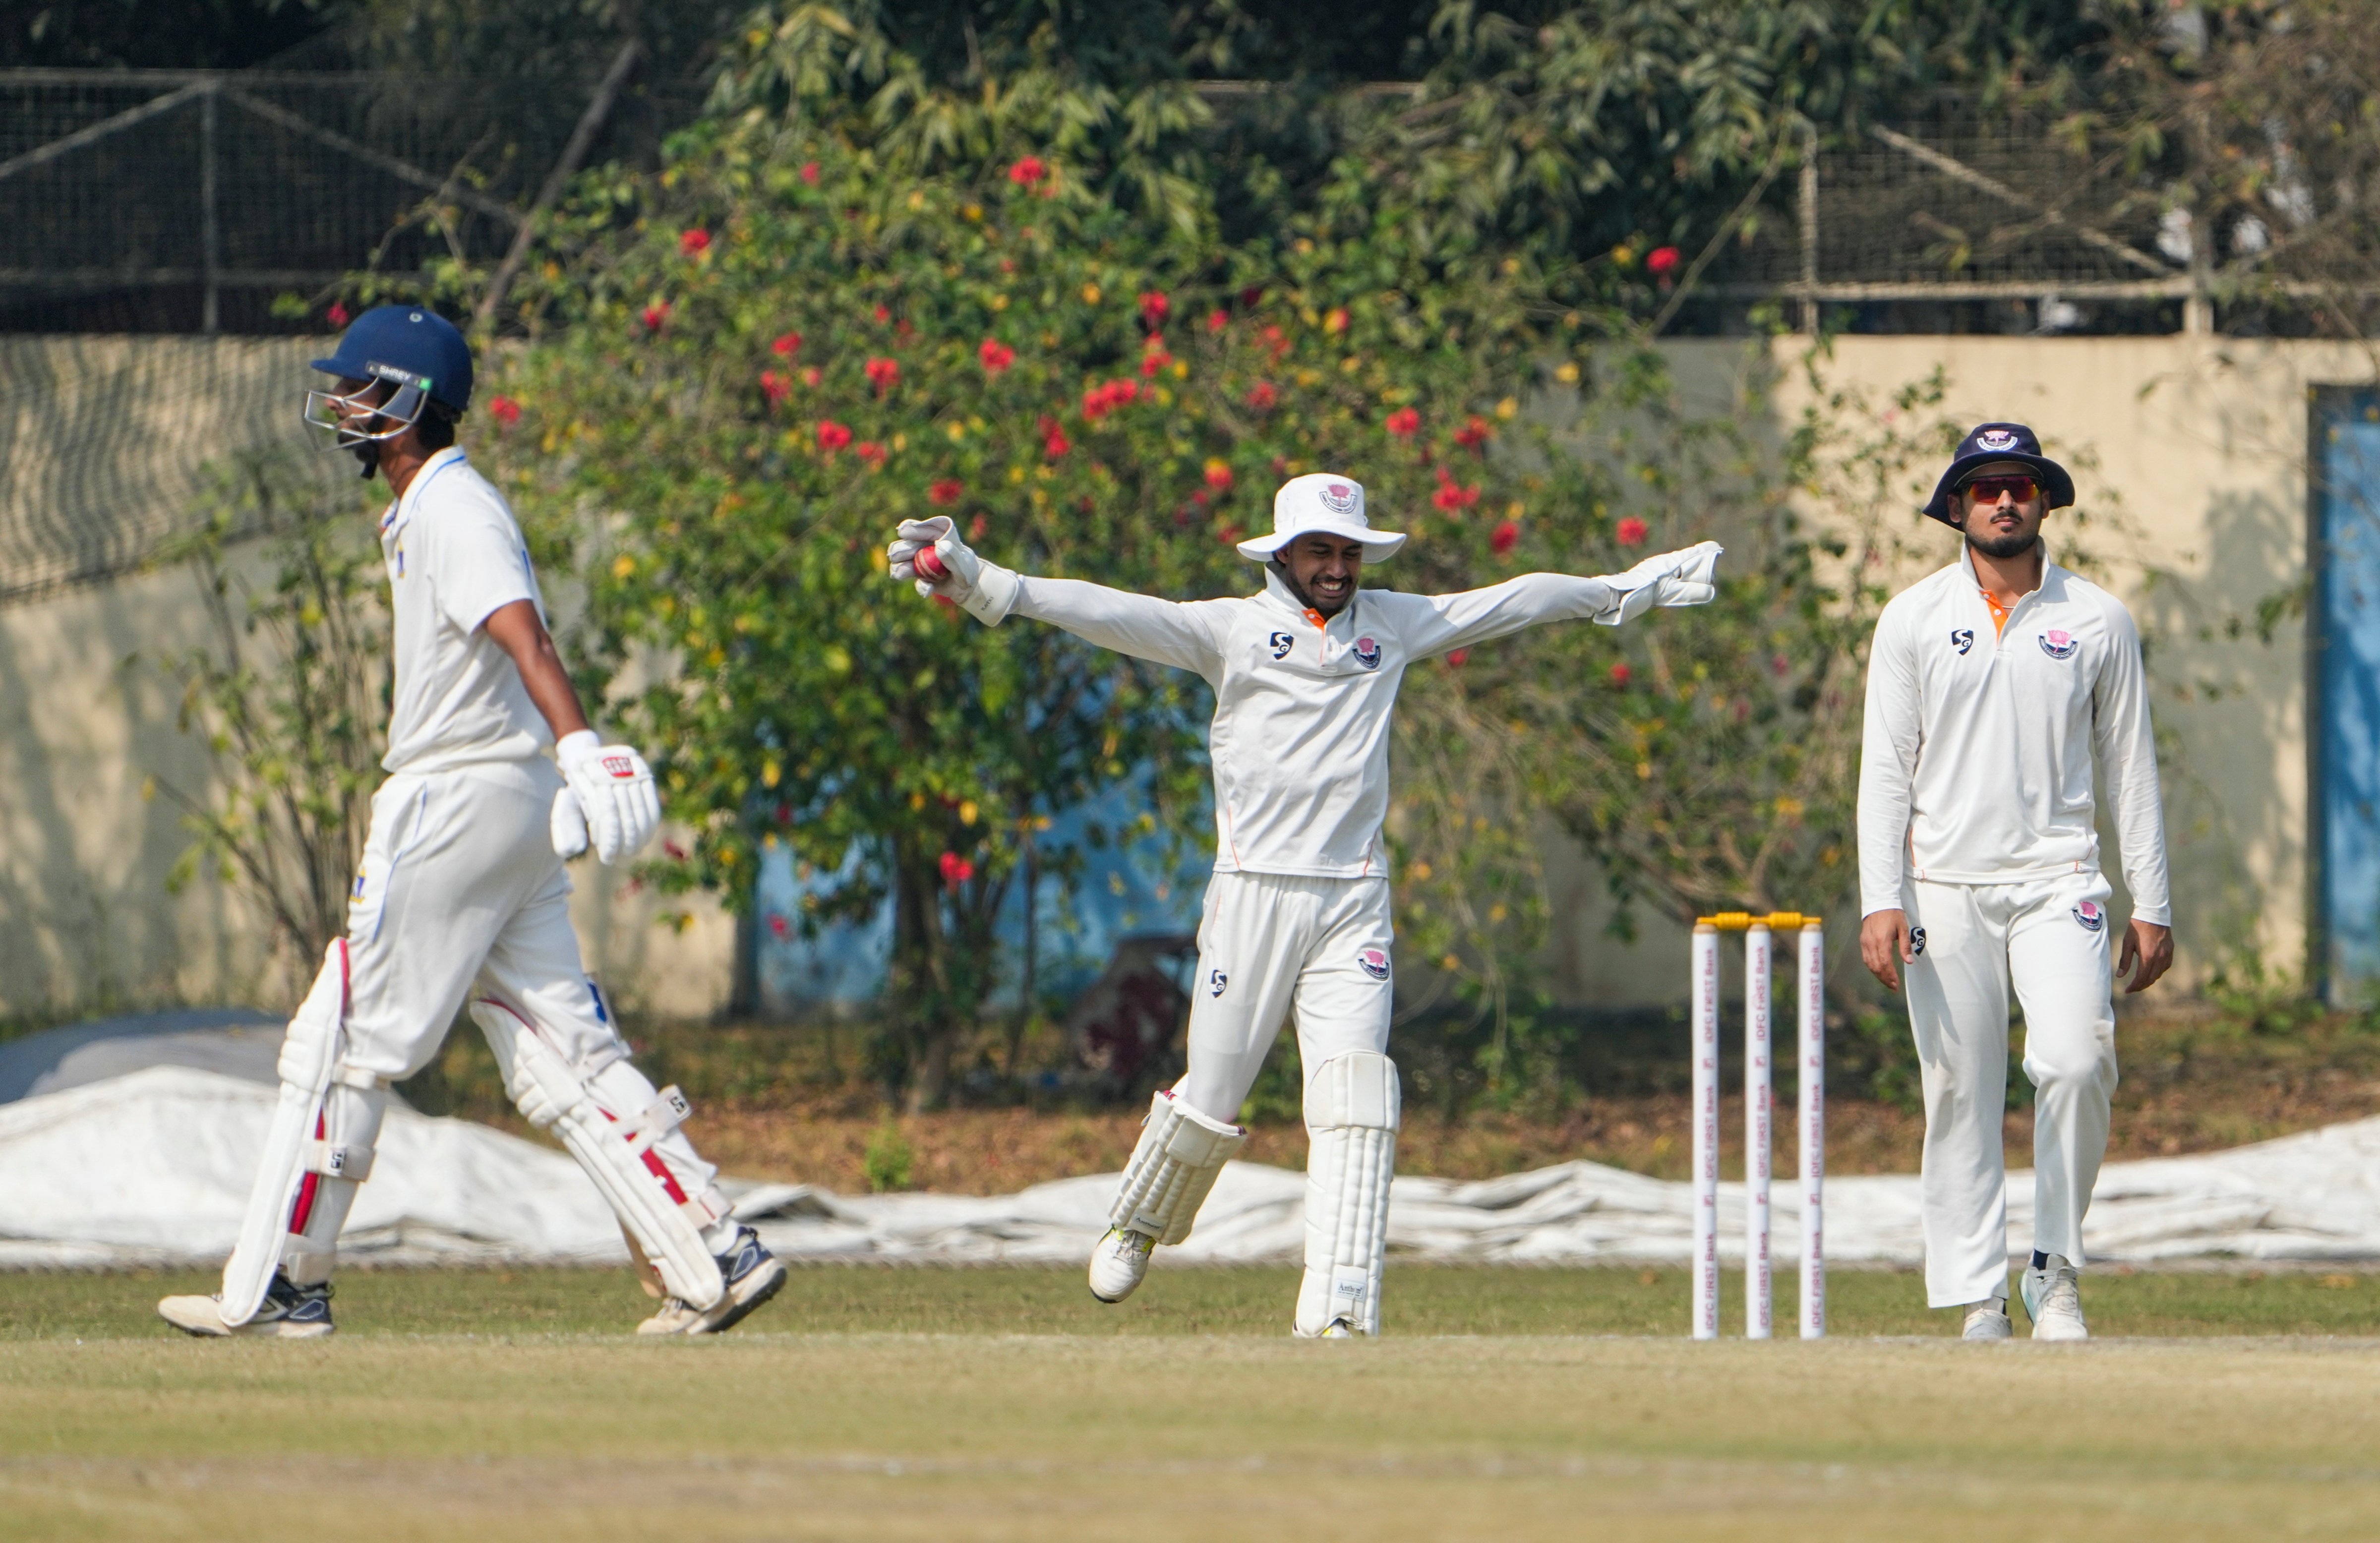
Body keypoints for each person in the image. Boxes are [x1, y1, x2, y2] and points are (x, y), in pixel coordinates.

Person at [887, 475, 1720, 1336]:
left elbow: (1509, 601)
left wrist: (1621, 592)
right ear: (1282, 553)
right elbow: (1111, 611)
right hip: (1254, 894)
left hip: (1353, 897)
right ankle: (1138, 1224)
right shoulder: (1231, 630)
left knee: (1356, 1098)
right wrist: (987, 584)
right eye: (1321, 550)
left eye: (1349, 550)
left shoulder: (1392, 627)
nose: (1337, 566)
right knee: (1210, 1097)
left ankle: (1340, 1309)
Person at [159, 305, 783, 1338]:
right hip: (509, 810)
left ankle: (281, 1284)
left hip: (451, 801)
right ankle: (714, 1251)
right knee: (559, 1050)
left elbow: (523, 633)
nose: (344, 404)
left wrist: (582, 743)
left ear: (404, 403)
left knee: (342, 1039)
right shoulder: (430, 505)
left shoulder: (452, 503)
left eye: (360, 389)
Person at [1857, 422, 2173, 1343]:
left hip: (2058, 877)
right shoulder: (1912, 617)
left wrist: (2152, 901)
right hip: (1942, 883)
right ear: (1957, 506)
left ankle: (2054, 1270)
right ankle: (1977, 1296)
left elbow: (2132, 768)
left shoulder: (2098, 619)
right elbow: (1887, 768)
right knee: (1958, 1085)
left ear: (2044, 504)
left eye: (2021, 488)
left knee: (2077, 1061)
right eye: (1986, 487)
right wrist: (1882, 895)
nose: (2005, 502)